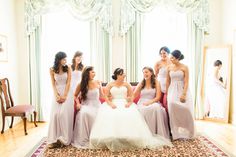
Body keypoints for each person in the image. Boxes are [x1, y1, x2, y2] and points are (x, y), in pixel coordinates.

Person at [89, 68, 172, 151]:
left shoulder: (127, 84)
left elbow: (132, 95)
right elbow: (106, 96)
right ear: (118, 75)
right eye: (122, 74)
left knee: (128, 114)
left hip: (125, 103)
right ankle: (112, 137)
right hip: (113, 103)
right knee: (110, 115)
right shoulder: (110, 84)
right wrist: (110, 104)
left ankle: (127, 137)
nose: (124, 75)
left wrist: (129, 103)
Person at [71, 66, 103, 148]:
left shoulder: (98, 82)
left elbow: (102, 96)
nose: (94, 73)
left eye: (94, 72)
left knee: (100, 114)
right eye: (92, 72)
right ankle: (85, 138)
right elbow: (74, 95)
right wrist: (78, 103)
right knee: (84, 113)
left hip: (97, 105)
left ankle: (97, 137)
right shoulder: (81, 83)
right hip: (86, 104)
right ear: (87, 73)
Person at [134, 67, 170, 139]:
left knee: (156, 107)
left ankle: (154, 133)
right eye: (143, 72)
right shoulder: (141, 83)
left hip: (153, 101)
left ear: (151, 73)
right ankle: (145, 134)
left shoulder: (156, 82)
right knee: (142, 110)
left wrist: (150, 102)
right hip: (142, 102)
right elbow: (134, 95)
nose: (145, 74)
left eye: (146, 72)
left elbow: (158, 97)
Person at [166, 50, 195, 140]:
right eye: (170, 57)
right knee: (172, 109)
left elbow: (186, 82)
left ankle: (189, 131)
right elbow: (168, 81)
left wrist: (184, 94)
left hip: (182, 89)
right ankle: (175, 133)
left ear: (178, 58)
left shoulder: (185, 67)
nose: (170, 59)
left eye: (172, 58)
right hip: (172, 90)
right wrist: (167, 93)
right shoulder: (169, 67)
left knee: (186, 109)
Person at [48, 51, 74, 148]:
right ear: (58, 59)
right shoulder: (51, 70)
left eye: (65, 59)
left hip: (67, 93)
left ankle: (64, 139)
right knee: (55, 115)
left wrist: (65, 96)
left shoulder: (68, 68)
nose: (65, 61)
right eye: (63, 59)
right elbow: (53, 84)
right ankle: (55, 139)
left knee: (63, 113)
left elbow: (68, 83)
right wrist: (56, 95)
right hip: (57, 93)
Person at [154, 46, 171, 112]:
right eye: (161, 53)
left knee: (168, 103)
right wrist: (155, 86)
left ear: (168, 53)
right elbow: (155, 76)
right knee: (161, 103)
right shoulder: (158, 63)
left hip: (170, 85)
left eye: (164, 53)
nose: (162, 55)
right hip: (160, 85)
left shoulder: (172, 62)